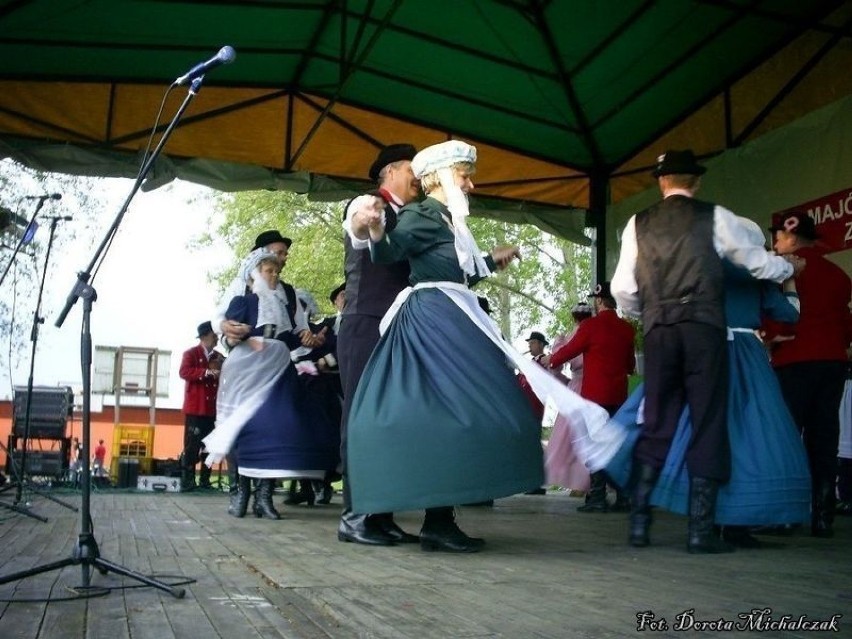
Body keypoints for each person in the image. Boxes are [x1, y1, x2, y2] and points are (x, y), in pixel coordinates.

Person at [347, 140, 616, 552]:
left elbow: (461, 271)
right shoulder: (421, 214)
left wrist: (492, 260)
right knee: (453, 413)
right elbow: (388, 254)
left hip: (454, 315)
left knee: (465, 412)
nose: (470, 184)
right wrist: (377, 228)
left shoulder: (450, 220)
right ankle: (428, 518)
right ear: (437, 176)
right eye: (464, 174)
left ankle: (439, 518)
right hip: (433, 321)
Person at [610, 149, 798, 553]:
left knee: (658, 418)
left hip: (660, 329)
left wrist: (652, 313)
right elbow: (758, 265)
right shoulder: (715, 217)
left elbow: (623, 289)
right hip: (703, 329)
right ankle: (699, 533)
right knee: (708, 421)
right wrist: (789, 270)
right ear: (696, 182)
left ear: (661, 182)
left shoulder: (636, 222)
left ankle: (639, 525)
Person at [202, 249, 338, 520]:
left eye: (277, 271)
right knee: (241, 424)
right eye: (269, 271)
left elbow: (295, 337)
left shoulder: (286, 304)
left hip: (277, 365)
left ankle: (264, 497)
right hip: (247, 365)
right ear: (254, 275)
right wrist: (237, 336)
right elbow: (228, 339)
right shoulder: (242, 301)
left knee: (274, 424)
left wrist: (313, 340)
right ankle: (239, 492)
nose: (275, 276)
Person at [336, 143, 422, 546]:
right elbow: (357, 224)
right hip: (365, 323)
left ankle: (381, 513)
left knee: (391, 420)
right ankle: (355, 516)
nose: (419, 176)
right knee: (361, 416)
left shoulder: (411, 217)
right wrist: (364, 219)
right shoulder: (370, 202)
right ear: (391, 171)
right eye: (412, 168)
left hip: (397, 328)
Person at [765, 210, 852, 537]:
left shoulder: (783, 270)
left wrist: (770, 338)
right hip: (832, 361)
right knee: (824, 436)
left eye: (778, 236)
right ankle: (824, 516)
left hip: (795, 359)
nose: (775, 242)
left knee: (788, 435)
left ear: (791, 238)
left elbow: (777, 315)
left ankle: (787, 515)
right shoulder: (839, 275)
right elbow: (846, 324)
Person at [544, 282, 635, 513]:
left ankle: (597, 497)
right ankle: (624, 497)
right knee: (615, 448)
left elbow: (570, 350)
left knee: (596, 446)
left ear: (599, 301)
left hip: (594, 397)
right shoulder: (627, 328)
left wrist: (551, 360)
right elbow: (630, 366)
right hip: (619, 396)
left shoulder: (591, 326)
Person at [544, 303, 593, 492]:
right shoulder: (593, 334)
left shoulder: (569, 338)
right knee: (589, 435)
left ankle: (576, 483)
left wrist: (565, 382)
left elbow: (554, 367)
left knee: (568, 437)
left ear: (574, 318)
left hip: (575, 388)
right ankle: (589, 482)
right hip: (593, 388)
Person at [178, 321, 223, 491]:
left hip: (212, 410)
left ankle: (205, 480)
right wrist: (205, 372)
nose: (217, 338)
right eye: (214, 335)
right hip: (196, 409)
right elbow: (184, 372)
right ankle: (188, 481)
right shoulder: (190, 354)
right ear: (205, 337)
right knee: (192, 445)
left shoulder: (218, 357)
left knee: (209, 446)